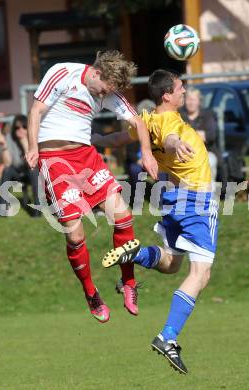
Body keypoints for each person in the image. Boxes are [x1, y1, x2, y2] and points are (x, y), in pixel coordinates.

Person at [99, 69, 218, 374]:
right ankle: (168, 337)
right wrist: (175, 145)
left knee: (172, 264)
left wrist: (98, 138)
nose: (183, 91)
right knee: (200, 273)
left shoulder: (147, 119)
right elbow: (171, 137)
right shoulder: (168, 121)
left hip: (174, 198)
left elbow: (122, 136)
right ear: (167, 95)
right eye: (180, 88)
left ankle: (134, 252)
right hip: (197, 202)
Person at [25, 50, 158, 323]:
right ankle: (90, 292)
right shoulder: (63, 72)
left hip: (86, 158)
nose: (102, 96)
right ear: (97, 73)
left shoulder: (107, 91)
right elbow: (36, 110)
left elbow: (138, 122)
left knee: (123, 217)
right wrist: (31, 147)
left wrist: (147, 153)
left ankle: (128, 283)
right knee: (74, 236)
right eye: (103, 90)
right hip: (56, 160)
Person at [0, 114, 40, 216]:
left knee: (33, 171)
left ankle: (37, 209)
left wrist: (24, 142)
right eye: (17, 127)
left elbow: (32, 163)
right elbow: (7, 163)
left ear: (28, 128)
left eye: (24, 127)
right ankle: (3, 208)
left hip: (30, 172)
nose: (20, 130)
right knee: (7, 170)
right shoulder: (9, 139)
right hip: (16, 172)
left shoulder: (33, 139)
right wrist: (4, 146)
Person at [179, 87, 219, 186]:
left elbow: (211, 135)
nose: (191, 102)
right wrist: (198, 135)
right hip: (185, 152)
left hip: (207, 151)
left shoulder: (208, 114)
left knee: (210, 161)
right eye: (188, 99)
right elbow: (179, 135)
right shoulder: (179, 115)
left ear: (199, 101)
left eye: (193, 99)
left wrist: (190, 136)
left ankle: (210, 196)